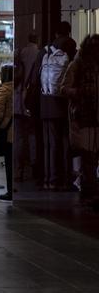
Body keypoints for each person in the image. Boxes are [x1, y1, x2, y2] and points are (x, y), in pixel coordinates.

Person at [63, 35, 99, 204]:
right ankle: (89, 189)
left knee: (89, 156)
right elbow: (65, 88)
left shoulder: (79, 65)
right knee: (88, 155)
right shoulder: (78, 65)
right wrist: (80, 93)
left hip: (89, 116)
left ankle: (90, 189)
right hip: (84, 117)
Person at [40, 31, 73, 190]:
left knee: (49, 144)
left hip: (46, 104)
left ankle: (49, 179)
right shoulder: (69, 53)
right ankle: (66, 178)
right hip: (62, 106)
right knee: (65, 142)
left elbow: (35, 78)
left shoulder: (46, 55)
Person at [14, 31, 41, 182]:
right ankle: (34, 168)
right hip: (32, 100)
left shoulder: (20, 53)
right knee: (32, 135)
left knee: (18, 137)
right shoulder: (39, 53)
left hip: (18, 100)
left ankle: (18, 171)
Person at [0, 64, 15, 202]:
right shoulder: (19, 88)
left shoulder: (4, 90)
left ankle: (10, 191)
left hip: (7, 131)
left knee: (9, 162)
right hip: (18, 130)